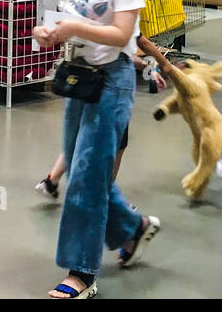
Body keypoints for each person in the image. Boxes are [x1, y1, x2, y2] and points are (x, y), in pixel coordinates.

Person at [32, 0, 161, 299]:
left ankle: (81, 274)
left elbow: (122, 35)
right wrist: (52, 30)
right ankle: (132, 226)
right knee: (77, 165)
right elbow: (68, 17)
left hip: (113, 82)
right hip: (80, 77)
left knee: (87, 177)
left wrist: (72, 25)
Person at [36, 43, 167, 197]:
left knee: (80, 133)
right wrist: (154, 66)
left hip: (84, 77)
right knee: (117, 142)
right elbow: (124, 50)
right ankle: (107, 195)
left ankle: (52, 181)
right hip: (108, 84)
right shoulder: (119, 22)